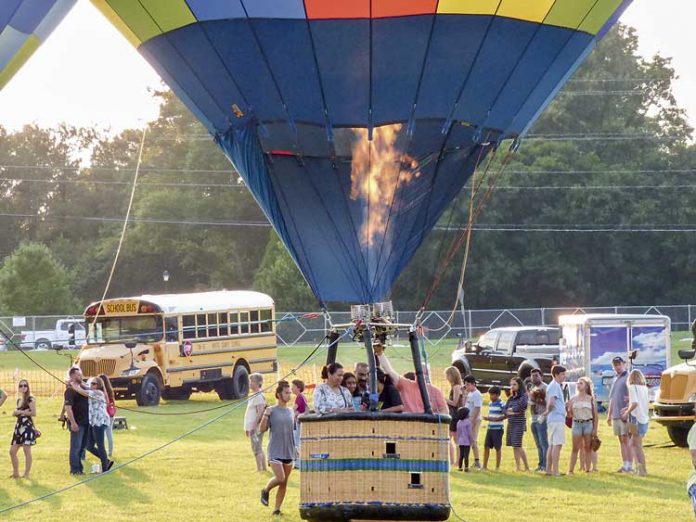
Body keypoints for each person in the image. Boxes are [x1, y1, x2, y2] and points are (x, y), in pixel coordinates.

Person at [374, 346, 448, 415]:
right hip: (408, 424)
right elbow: (389, 370)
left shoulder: (436, 391)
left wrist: (433, 418)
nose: (422, 377)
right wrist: (380, 354)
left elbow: (444, 410)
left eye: (424, 374)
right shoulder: (406, 385)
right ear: (415, 374)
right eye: (419, 373)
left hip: (427, 426)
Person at [260, 380, 296, 516]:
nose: (289, 395)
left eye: (290, 393)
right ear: (278, 394)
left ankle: (276, 509)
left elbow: (291, 430)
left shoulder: (291, 411)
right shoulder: (272, 410)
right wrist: (266, 414)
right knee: (280, 478)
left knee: (284, 482)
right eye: (286, 393)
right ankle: (265, 490)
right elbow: (262, 429)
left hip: (289, 450)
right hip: (275, 449)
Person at [70, 377, 114, 473]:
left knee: (100, 445)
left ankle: (105, 468)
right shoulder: (93, 391)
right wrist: (80, 382)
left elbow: (84, 392)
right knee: (89, 445)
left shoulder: (98, 393)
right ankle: (106, 461)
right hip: (93, 421)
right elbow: (86, 387)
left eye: (94, 383)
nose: (92, 385)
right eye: (91, 383)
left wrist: (74, 385)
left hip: (99, 422)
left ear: (99, 385)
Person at [607, 355, 633, 473]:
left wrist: (628, 411)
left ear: (624, 364)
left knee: (626, 438)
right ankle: (625, 463)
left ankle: (630, 465)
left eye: (619, 364)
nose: (617, 367)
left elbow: (632, 396)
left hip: (624, 413)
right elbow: (612, 398)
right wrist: (609, 414)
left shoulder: (628, 377)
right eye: (615, 365)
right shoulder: (615, 379)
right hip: (616, 414)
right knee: (620, 440)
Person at [567, 376, 597, 474]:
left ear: (586, 386)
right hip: (577, 424)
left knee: (588, 447)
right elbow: (570, 416)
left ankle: (588, 470)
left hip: (588, 423)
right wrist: (568, 410)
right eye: (578, 383)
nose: (578, 385)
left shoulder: (591, 399)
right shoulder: (573, 399)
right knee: (575, 448)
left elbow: (595, 415)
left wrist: (595, 429)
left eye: (581, 383)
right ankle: (570, 470)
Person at [622, 369, 649, 476]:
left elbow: (635, 403)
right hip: (643, 418)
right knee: (636, 444)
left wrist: (626, 412)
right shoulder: (644, 388)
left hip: (635, 419)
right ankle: (641, 468)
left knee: (634, 444)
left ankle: (641, 468)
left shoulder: (632, 387)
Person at [64, 367, 89, 475]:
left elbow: (89, 392)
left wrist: (79, 383)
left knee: (82, 447)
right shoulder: (69, 391)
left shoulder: (82, 388)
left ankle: (80, 468)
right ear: (72, 376)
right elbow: (68, 407)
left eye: (81, 374)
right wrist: (73, 422)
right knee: (76, 447)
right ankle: (75, 469)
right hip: (77, 422)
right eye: (78, 375)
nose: (80, 376)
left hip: (85, 421)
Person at [9, 379, 37, 479]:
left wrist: (22, 412)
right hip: (19, 427)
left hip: (27, 427)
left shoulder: (30, 399)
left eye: (25, 385)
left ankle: (26, 474)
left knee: (26, 450)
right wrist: (19, 412)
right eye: (21, 386)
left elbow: (33, 413)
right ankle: (16, 473)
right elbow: (14, 413)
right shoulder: (19, 400)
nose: (23, 387)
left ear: (28, 387)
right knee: (12, 451)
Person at [545, 365, 567, 476]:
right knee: (557, 445)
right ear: (556, 375)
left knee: (552, 445)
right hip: (557, 418)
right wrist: (547, 411)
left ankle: (549, 470)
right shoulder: (555, 386)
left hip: (552, 419)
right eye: (562, 374)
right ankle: (555, 471)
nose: (564, 377)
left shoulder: (552, 386)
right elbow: (552, 402)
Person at [505, 377, 530, 472]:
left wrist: (511, 410)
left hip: (519, 423)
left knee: (518, 445)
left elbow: (520, 407)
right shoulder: (511, 398)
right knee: (514, 446)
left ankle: (527, 467)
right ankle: (518, 467)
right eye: (511, 384)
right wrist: (510, 411)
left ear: (519, 385)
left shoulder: (524, 396)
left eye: (514, 384)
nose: (512, 386)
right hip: (511, 423)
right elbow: (505, 409)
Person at [244, 373, 267, 472]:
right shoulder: (254, 396)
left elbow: (260, 411)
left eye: (251, 381)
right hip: (252, 426)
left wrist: (253, 426)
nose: (250, 384)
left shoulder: (258, 396)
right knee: (258, 446)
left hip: (256, 427)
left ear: (257, 383)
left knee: (256, 448)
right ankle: (263, 468)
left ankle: (260, 469)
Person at [529, 368, 549, 472]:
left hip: (542, 418)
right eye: (532, 376)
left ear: (541, 376)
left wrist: (539, 399)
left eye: (536, 375)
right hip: (533, 419)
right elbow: (530, 404)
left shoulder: (545, 387)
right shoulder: (532, 388)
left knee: (543, 443)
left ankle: (545, 465)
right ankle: (540, 464)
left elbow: (549, 404)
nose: (534, 377)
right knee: (538, 444)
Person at [445, 366, 464, 465]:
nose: (446, 378)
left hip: (455, 415)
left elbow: (455, 402)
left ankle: (457, 461)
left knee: (455, 439)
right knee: (448, 438)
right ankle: (452, 460)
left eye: (447, 375)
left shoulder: (456, 387)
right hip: (453, 414)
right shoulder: (455, 387)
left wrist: (445, 399)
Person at [482, 386, 505, 471]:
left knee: (497, 447)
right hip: (490, 428)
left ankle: (497, 467)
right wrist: (487, 418)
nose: (490, 397)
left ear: (498, 395)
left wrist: (496, 419)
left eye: (492, 395)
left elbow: (505, 415)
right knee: (486, 446)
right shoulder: (490, 404)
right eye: (490, 395)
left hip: (498, 429)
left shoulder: (502, 403)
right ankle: (484, 466)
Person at [463, 375, 483, 469]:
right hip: (468, 419)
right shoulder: (470, 393)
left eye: (467, 384)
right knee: (469, 440)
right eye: (465, 384)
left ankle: (477, 461)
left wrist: (472, 421)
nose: (466, 386)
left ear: (473, 384)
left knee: (473, 440)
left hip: (474, 420)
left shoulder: (477, 394)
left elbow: (477, 408)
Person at [99, 374, 116, 458]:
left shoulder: (102, 392)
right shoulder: (110, 391)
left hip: (105, 414)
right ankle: (110, 451)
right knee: (109, 432)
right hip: (111, 413)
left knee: (106, 433)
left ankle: (107, 451)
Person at [291, 379, 307, 460]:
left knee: (296, 441)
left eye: (293, 386)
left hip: (298, 422)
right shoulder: (302, 396)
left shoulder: (299, 397)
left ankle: (297, 461)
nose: (291, 388)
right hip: (300, 421)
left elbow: (293, 410)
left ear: (298, 388)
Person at [456, 407, 472, 472]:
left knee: (461, 455)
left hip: (460, 441)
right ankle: (466, 467)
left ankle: (460, 467)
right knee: (466, 455)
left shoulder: (459, 422)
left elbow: (458, 432)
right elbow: (469, 433)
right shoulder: (468, 422)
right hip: (467, 441)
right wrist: (472, 440)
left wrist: (458, 439)